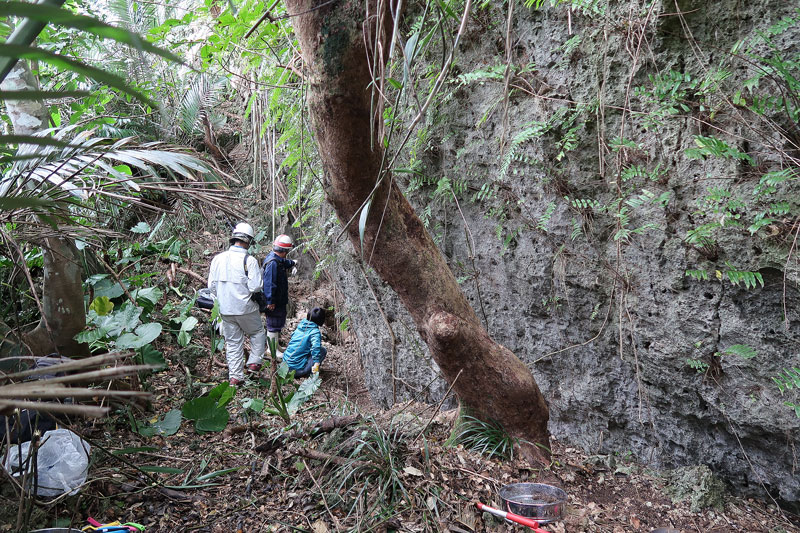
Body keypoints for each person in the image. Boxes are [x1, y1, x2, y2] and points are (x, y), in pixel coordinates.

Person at [207, 222, 266, 385]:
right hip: (246, 308)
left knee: (232, 343)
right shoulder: (250, 260)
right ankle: (254, 362)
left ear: (233, 239)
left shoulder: (217, 259)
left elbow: (211, 286)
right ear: (248, 241)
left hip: (226, 309)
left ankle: (235, 377)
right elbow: (255, 287)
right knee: (257, 333)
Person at [262, 234, 296, 358]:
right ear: (285, 251)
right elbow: (269, 283)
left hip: (279, 299)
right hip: (274, 300)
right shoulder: (272, 263)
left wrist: (292, 263)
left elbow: (284, 262)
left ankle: (276, 346)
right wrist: (270, 301)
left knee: (277, 322)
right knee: (273, 323)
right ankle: (271, 350)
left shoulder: (276, 259)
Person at [283, 307, 327, 378]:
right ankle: (309, 373)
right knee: (322, 350)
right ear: (321, 320)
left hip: (284, 367)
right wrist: (316, 363)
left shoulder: (301, 325)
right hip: (295, 371)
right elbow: (315, 347)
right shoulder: (315, 332)